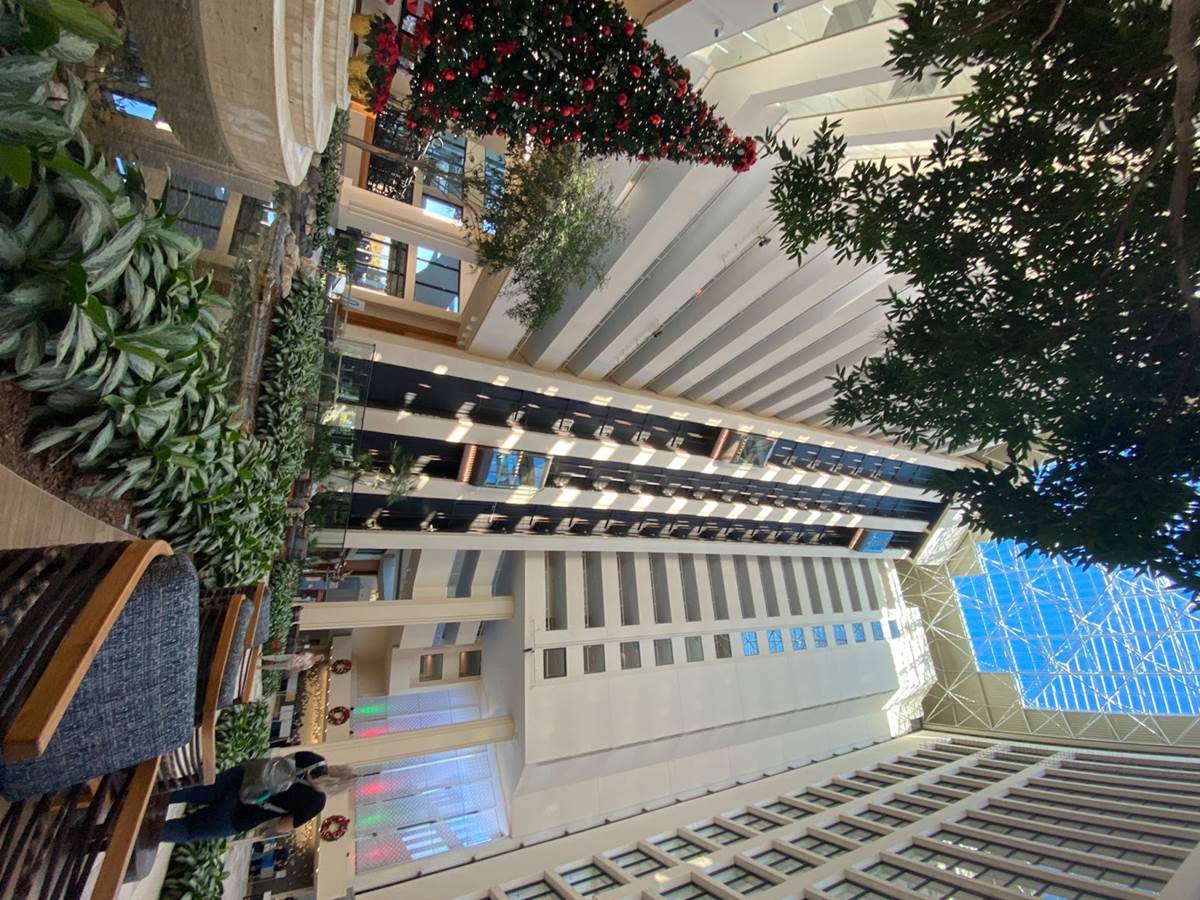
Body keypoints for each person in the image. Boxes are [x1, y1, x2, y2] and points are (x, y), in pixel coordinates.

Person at [162, 751, 356, 844]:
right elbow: (282, 826)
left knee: (191, 792)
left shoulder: (314, 759)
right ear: (338, 788)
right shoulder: (316, 802)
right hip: (244, 813)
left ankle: (148, 798)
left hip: (242, 778)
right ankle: (146, 833)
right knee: (188, 829)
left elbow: (279, 763)